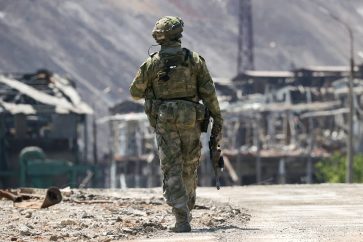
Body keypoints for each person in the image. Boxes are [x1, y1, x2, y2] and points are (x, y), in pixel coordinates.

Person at [129, 16, 223, 232]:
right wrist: (218, 120)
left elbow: (135, 92)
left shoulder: (152, 63)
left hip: (166, 122)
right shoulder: (195, 60)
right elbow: (209, 94)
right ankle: (187, 207)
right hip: (191, 119)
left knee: (172, 167)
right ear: (179, 34)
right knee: (189, 164)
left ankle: (181, 218)